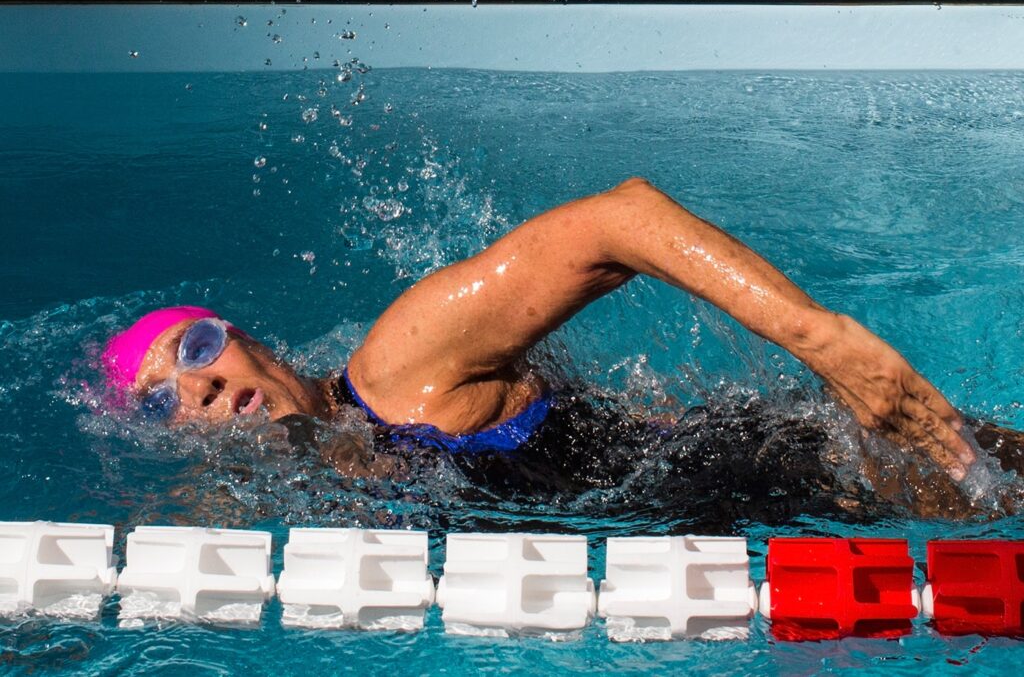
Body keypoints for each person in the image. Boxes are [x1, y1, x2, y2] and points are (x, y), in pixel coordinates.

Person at [102, 178, 978, 488]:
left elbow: (619, 218)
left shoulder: (398, 363)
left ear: (247, 340)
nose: (196, 387)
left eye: (195, 349)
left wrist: (824, 341)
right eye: (157, 402)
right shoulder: (273, 488)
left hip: (796, 471)